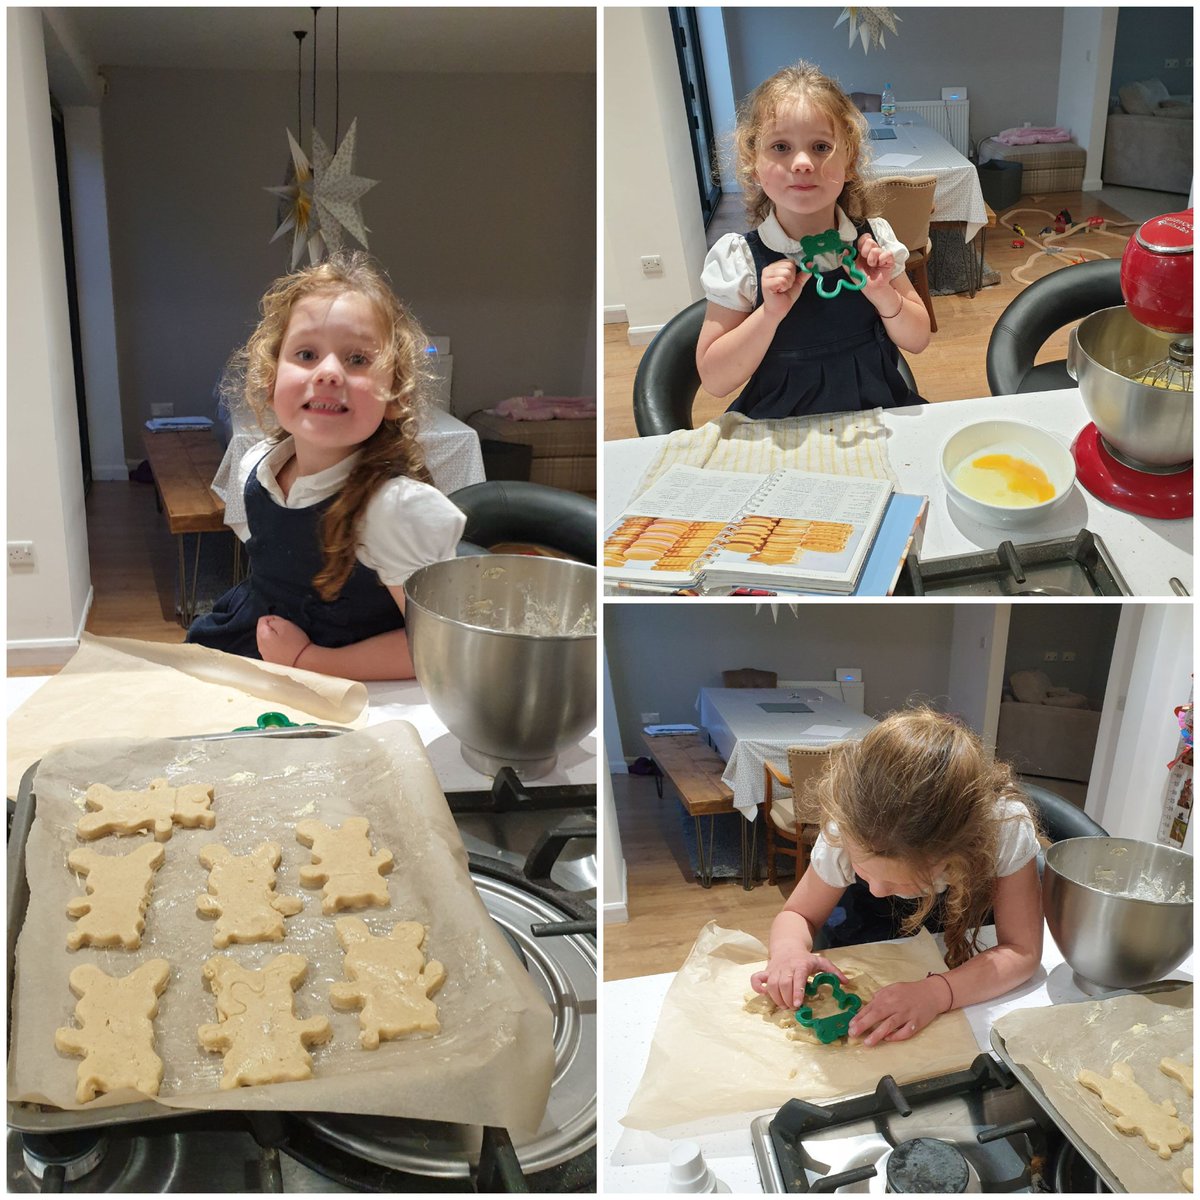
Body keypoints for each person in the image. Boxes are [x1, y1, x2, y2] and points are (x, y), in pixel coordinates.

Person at [186, 252, 465, 680]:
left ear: (395, 395)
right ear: (270, 378)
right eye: (306, 354)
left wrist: (306, 660)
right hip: (251, 654)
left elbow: (439, 650)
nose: (330, 372)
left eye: (357, 359)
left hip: (349, 684)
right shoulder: (256, 466)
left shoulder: (395, 510)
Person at [751, 708, 1043, 1047]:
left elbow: (1022, 951)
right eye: (864, 871)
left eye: (899, 883)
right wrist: (788, 951)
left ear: (958, 854)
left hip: (962, 952)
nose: (875, 889)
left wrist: (939, 992)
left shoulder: (1003, 829)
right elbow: (798, 914)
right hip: (866, 933)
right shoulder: (848, 826)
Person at [697, 61, 931, 419]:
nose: (803, 162)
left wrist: (884, 294)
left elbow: (918, 340)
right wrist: (768, 315)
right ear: (753, 163)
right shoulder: (740, 258)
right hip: (780, 426)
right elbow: (714, 380)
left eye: (821, 146)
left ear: (849, 158)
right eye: (780, 147)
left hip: (875, 412)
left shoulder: (875, 239)